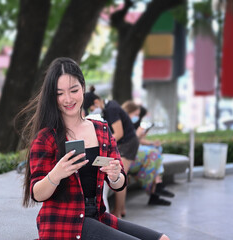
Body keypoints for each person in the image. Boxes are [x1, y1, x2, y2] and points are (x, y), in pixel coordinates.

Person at [18, 57, 170, 240]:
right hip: (63, 222)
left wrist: (114, 176)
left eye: (73, 90)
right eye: (60, 93)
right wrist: (56, 174)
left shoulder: (101, 130)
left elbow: (120, 181)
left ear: (83, 87)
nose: (68, 99)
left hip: (97, 215)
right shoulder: (46, 137)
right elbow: (37, 194)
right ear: (53, 96)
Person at [83, 87, 140, 219]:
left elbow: (118, 133)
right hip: (126, 143)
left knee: (120, 175)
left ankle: (118, 211)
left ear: (96, 102)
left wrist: (102, 143)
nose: (92, 111)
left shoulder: (112, 108)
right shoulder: (108, 108)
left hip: (128, 144)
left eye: (91, 109)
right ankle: (121, 209)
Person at [122, 101, 175, 201]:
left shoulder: (128, 123)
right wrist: (137, 136)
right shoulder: (122, 124)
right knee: (154, 154)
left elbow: (136, 141)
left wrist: (151, 142)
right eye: (136, 114)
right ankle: (156, 187)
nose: (137, 117)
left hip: (132, 154)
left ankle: (157, 187)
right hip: (127, 157)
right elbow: (127, 144)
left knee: (156, 150)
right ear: (128, 111)